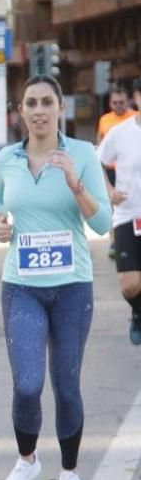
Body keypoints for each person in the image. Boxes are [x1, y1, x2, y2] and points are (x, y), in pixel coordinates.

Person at [0, 75, 111, 480]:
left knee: (66, 386)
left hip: (72, 287)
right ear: (21, 111)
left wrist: (76, 185)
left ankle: (70, 475)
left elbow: (102, 224)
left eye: (46, 102)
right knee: (26, 385)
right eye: (31, 103)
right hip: (21, 286)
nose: (39, 110)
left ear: (60, 108)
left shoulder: (82, 154)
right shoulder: (7, 159)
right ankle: (27, 460)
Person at [98, 77, 141, 345]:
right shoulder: (120, 132)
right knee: (129, 284)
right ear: (137, 97)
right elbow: (97, 161)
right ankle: (137, 311)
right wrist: (108, 192)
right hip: (128, 214)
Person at [96, 89, 136, 258]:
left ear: (128, 101)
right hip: (110, 171)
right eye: (115, 103)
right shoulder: (105, 120)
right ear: (110, 103)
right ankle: (114, 241)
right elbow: (99, 142)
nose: (118, 106)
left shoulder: (135, 117)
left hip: (129, 172)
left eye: (121, 102)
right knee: (113, 208)